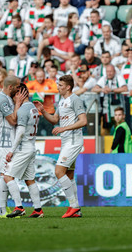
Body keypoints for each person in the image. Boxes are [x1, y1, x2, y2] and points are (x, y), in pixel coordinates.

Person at [34, 75, 86, 218]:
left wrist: (64, 128)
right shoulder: (62, 101)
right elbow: (55, 120)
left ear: (68, 87)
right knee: (69, 175)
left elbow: (83, 121)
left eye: (61, 85)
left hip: (74, 141)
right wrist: (43, 110)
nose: (58, 87)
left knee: (58, 172)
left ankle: (74, 206)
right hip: (66, 141)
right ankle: (76, 209)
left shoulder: (75, 99)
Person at [4, 83, 44, 219]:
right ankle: (38, 210)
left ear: (20, 93)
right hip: (32, 146)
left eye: (14, 94)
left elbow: (20, 132)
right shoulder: (33, 107)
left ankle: (19, 207)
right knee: (30, 180)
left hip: (23, 148)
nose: (13, 97)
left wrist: (11, 151)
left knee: (7, 175)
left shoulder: (22, 110)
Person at [0, 75, 24, 218]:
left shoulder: (7, 99)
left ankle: (3, 209)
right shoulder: (2, 100)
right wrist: (18, 103)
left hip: (9, 142)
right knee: (6, 175)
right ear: (10, 87)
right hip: (4, 143)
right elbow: (12, 120)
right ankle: (8, 209)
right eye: (17, 86)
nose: (19, 89)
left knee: (4, 176)